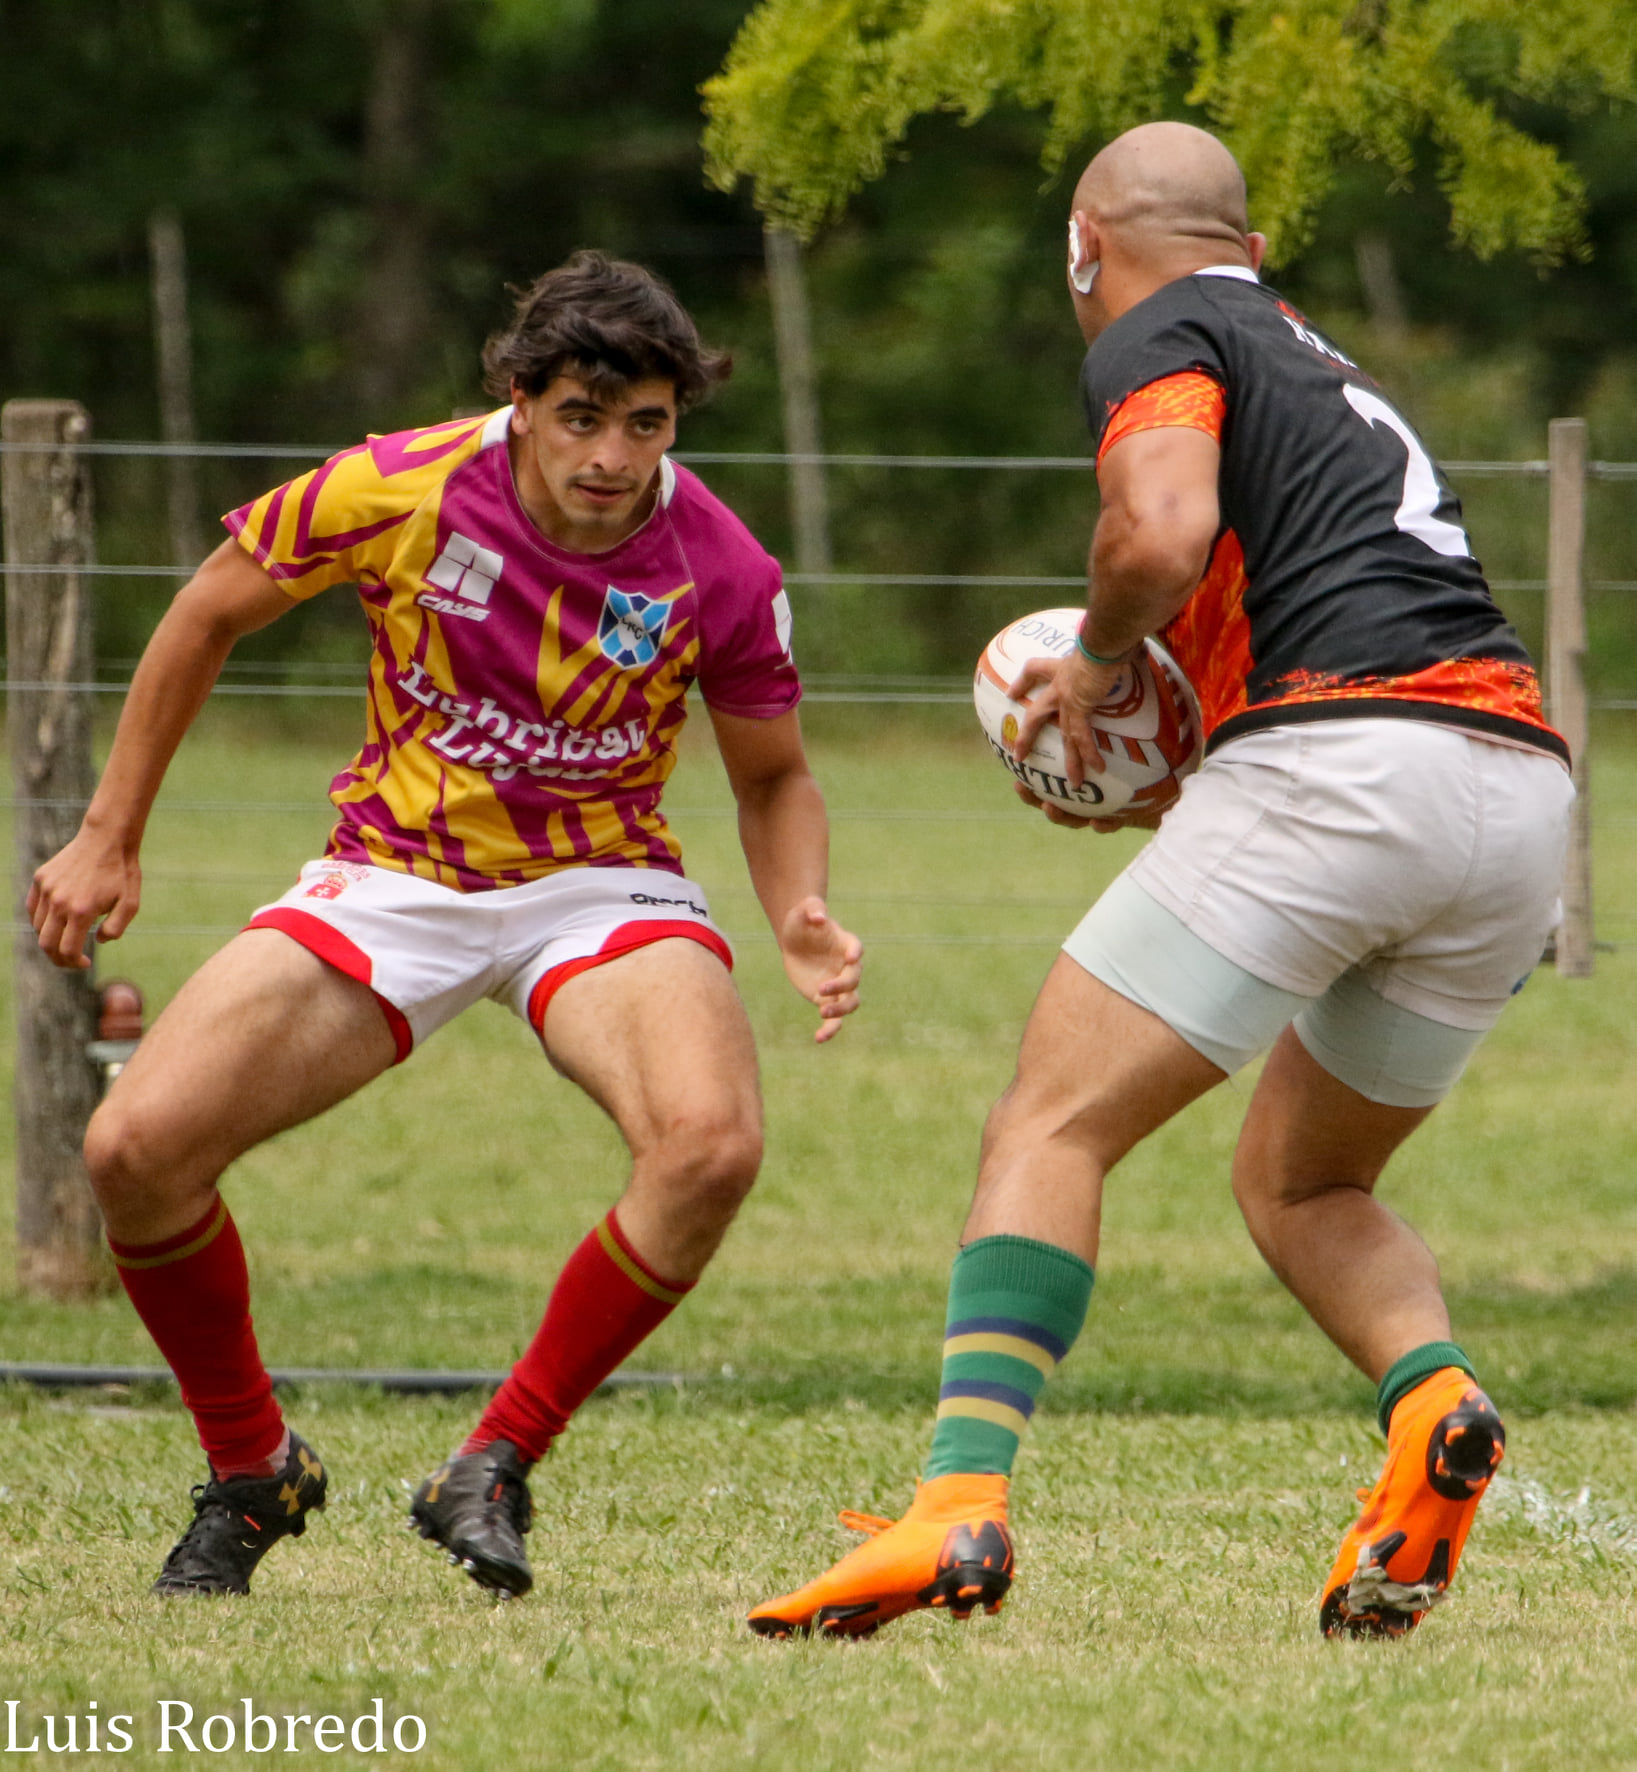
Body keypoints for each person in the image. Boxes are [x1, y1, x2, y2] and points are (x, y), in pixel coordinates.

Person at [748, 123, 1571, 1643]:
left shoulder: (1161, 325)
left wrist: (1099, 657)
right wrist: (1181, 769)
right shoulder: (1316, 359)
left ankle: (955, 1507)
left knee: (1047, 1124)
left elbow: (1161, 532)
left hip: (1341, 765)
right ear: (1252, 246)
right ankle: (1432, 1411)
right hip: (1516, 795)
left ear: (1084, 243)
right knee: (1305, 1182)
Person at [29, 251, 862, 1600]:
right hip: (395, 875)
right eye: (581, 418)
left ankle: (494, 1460)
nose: (612, 457)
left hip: (600, 882)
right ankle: (251, 1468)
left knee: (710, 1145)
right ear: (519, 401)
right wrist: (109, 831)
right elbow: (205, 613)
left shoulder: (718, 561)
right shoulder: (400, 484)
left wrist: (799, 909)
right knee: (135, 1151)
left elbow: (774, 778)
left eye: (645, 423)